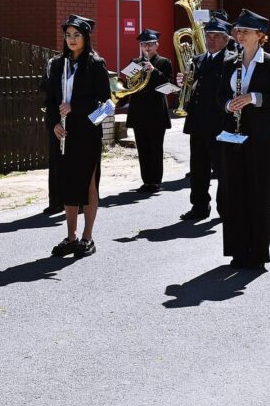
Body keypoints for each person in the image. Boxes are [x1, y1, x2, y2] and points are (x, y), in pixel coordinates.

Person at [216, 9, 270, 270]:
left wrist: (253, 98)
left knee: (259, 194)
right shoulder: (229, 62)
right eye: (238, 30)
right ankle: (238, 251)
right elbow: (220, 95)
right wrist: (227, 105)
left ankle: (257, 253)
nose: (239, 34)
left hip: (261, 137)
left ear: (260, 35)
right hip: (232, 136)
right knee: (235, 194)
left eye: (245, 31)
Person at [44, 14, 112, 258]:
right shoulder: (56, 64)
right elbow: (50, 101)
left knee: (88, 184)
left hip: (87, 133)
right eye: (68, 35)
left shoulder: (95, 64)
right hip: (63, 133)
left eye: (77, 35)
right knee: (67, 184)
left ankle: (87, 237)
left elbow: (106, 103)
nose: (71, 40)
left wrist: (78, 108)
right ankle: (71, 236)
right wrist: (54, 123)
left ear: (85, 38)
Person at [177, 17, 231, 221]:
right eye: (209, 36)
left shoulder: (231, 60)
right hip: (197, 122)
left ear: (226, 40)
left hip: (218, 123)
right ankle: (199, 206)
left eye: (217, 36)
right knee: (198, 168)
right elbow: (193, 88)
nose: (211, 40)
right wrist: (184, 82)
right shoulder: (198, 59)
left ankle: (225, 208)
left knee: (222, 169)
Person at [124, 29, 173, 193]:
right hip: (139, 111)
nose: (147, 47)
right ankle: (146, 181)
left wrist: (154, 71)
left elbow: (168, 85)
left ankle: (156, 181)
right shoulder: (134, 62)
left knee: (155, 147)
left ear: (156, 45)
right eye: (144, 44)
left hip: (156, 111)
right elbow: (129, 85)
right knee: (143, 148)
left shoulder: (164, 62)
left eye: (150, 44)